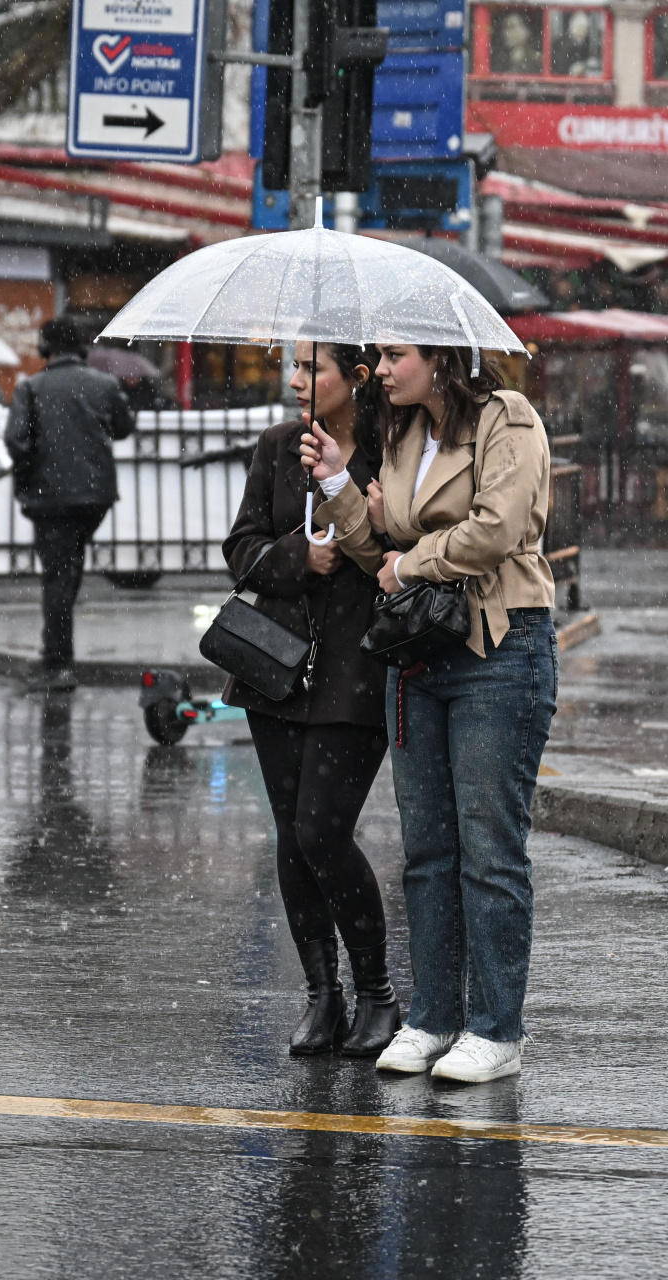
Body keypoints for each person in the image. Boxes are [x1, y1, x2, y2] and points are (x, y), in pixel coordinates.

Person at [304, 345, 556, 1084]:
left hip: (498, 648)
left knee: (489, 850)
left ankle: (497, 1029)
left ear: (442, 356)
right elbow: (372, 550)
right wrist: (337, 484)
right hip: (420, 651)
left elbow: (495, 529)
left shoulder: (507, 420)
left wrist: (410, 561)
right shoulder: (403, 432)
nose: (378, 369)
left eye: (394, 353)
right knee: (428, 852)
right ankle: (434, 1016)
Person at [222, 343, 398, 1058]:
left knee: (323, 830)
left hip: (356, 670)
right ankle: (322, 996)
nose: (295, 381)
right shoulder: (275, 447)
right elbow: (240, 550)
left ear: (356, 378)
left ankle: (378, 993)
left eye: (310, 368)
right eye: (292, 366)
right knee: (293, 835)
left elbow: (402, 544)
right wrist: (301, 555)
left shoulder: (392, 449)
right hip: (275, 669)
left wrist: (353, 524)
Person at [5, 318, 134, 692]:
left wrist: (31, 474)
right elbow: (124, 428)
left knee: (58, 577)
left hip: (50, 499)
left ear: (46, 349)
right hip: (94, 496)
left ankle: (58, 664)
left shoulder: (31, 387)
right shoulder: (104, 385)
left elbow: (16, 441)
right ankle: (58, 657)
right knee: (67, 571)